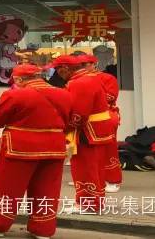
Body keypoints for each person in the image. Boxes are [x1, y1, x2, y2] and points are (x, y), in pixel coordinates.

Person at [0, 64, 72, 239]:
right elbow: (70, 120)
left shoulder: (15, 94)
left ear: (19, 79)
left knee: (8, 189)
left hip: (20, 147)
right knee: (47, 189)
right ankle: (43, 229)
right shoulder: (64, 94)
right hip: (54, 146)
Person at [51, 55, 114, 214]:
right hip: (95, 130)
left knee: (85, 168)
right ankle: (95, 202)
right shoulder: (89, 78)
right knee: (95, 168)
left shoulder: (80, 82)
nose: (57, 73)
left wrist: (63, 128)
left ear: (65, 68)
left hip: (87, 131)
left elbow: (79, 114)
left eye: (57, 69)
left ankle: (88, 204)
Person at [77, 54, 122, 193]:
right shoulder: (77, 79)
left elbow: (110, 96)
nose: (81, 68)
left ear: (93, 64)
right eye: (79, 65)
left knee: (108, 149)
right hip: (84, 118)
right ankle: (87, 180)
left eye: (84, 65)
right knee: (84, 152)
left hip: (105, 117)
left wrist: (88, 98)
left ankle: (113, 180)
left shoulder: (107, 78)